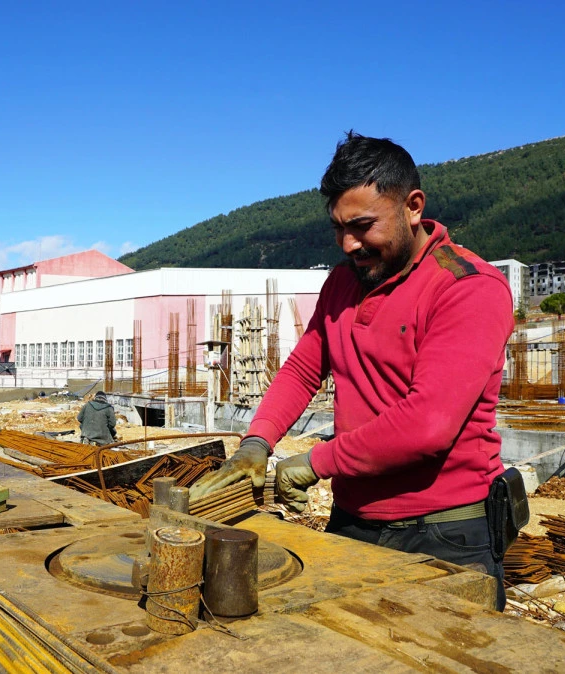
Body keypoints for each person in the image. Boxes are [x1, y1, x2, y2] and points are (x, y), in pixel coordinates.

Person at [191, 132, 514, 609]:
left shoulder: (467, 288)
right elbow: (304, 367)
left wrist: (315, 463)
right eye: (339, 228)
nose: (349, 244)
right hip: (353, 521)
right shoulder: (345, 280)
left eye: (363, 226)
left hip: (445, 533)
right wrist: (257, 443)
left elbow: (427, 425)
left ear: (413, 206)